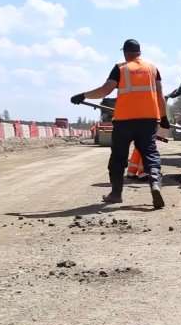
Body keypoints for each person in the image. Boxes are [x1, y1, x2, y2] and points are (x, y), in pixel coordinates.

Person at [70, 39, 170, 209]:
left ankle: (116, 194)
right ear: (139, 52)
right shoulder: (153, 69)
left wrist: (83, 95)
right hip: (148, 121)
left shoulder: (121, 68)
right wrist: (164, 117)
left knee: (118, 157)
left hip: (124, 121)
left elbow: (105, 90)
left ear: (125, 52)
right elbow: (160, 94)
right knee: (150, 155)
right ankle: (154, 184)